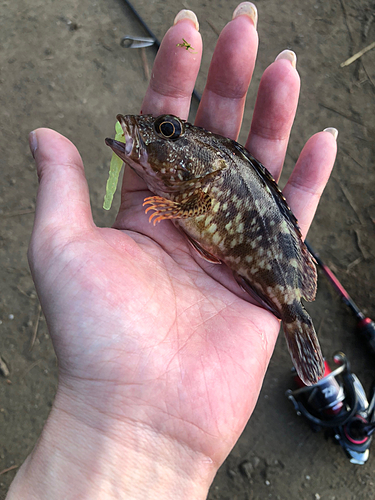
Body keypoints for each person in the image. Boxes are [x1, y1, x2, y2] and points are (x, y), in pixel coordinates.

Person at [7, 3, 337, 499]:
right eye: (163, 130)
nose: (154, 132)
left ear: (195, 156)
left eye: (167, 132)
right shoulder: (189, 183)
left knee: (290, 310)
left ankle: (295, 322)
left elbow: (198, 203)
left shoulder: (205, 179)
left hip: (261, 274)